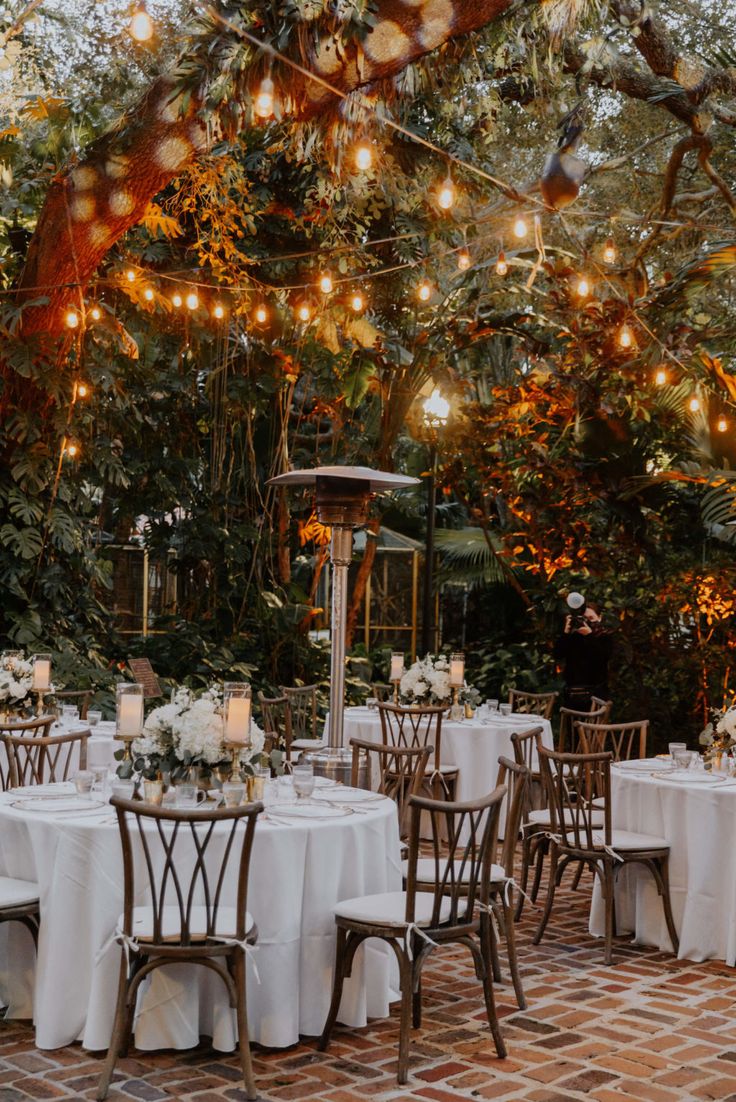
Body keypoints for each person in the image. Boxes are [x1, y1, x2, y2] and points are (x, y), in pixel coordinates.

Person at [553, 603, 613, 711]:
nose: (588, 622)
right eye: (584, 619)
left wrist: (590, 636)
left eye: (591, 618)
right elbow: (557, 654)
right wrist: (566, 632)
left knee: (594, 727)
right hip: (573, 694)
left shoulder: (604, 636)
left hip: (596, 694)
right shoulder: (574, 636)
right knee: (571, 727)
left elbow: (602, 658)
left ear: (599, 617)